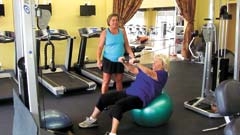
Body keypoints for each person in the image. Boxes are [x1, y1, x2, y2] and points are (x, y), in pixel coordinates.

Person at [78, 54, 169, 135]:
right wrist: (124, 62)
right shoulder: (147, 70)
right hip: (129, 92)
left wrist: (137, 63)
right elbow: (132, 69)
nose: (154, 63)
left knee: (119, 105)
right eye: (154, 61)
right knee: (105, 97)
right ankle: (92, 119)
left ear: (163, 65)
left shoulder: (163, 75)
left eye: (157, 62)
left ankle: (113, 133)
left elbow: (149, 73)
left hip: (140, 98)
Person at [96, 13, 135, 94]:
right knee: (106, 81)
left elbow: (127, 45)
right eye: (113, 20)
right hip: (108, 60)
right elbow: (100, 47)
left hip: (120, 60)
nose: (115, 22)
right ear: (109, 22)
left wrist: (132, 55)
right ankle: (103, 100)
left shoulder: (122, 32)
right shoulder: (105, 33)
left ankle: (119, 99)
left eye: (117, 20)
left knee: (119, 81)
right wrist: (98, 60)